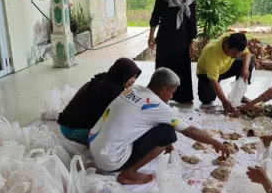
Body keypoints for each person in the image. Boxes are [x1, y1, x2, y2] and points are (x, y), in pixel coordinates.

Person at [89, 68, 230, 185]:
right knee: (168, 132)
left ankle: (158, 152)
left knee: (159, 123)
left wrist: (170, 149)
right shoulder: (158, 106)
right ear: (163, 89)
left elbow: (148, 119)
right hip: (110, 160)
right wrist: (214, 142)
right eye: (172, 92)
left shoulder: (134, 89)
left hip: (94, 146)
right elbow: (190, 131)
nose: (171, 96)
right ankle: (129, 173)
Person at [57, 58, 141, 146]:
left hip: (67, 123)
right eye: (130, 76)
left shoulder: (107, 79)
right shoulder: (111, 90)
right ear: (122, 73)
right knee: (114, 140)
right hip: (71, 129)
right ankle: (94, 146)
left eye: (135, 77)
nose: (133, 80)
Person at [148, 0, 197, 105]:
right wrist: (151, 36)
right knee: (164, 68)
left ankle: (184, 97)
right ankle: (160, 97)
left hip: (182, 38)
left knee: (182, 66)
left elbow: (192, 21)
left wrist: (191, 42)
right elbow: (155, 16)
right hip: (165, 38)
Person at [196, 33, 254, 112]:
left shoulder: (236, 41)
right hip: (205, 73)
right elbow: (213, 80)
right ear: (227, 46)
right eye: (234, 53)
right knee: (207, 99)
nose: (237, 56)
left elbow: (247, 53)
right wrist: (224, 101)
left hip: (224, 68)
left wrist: (245, 69)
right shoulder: (212, 52)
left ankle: (239, 96)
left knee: (248, 65)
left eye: (239, 53)